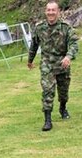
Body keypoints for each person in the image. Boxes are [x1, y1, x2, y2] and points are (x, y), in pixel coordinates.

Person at [27, 0, 78, 131]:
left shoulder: (66, 27)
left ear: (58, 12)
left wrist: (68, 56)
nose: (51, 12)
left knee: (63, 92)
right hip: (47, 64)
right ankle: (47, 120)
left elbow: (73, 44)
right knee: (47, 90)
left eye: (53, 10)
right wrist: (30, 60)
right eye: (48, 10)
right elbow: (34, 45)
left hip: (62, 63)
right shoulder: (39, 27)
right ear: (45, 12)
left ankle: (63, 107)